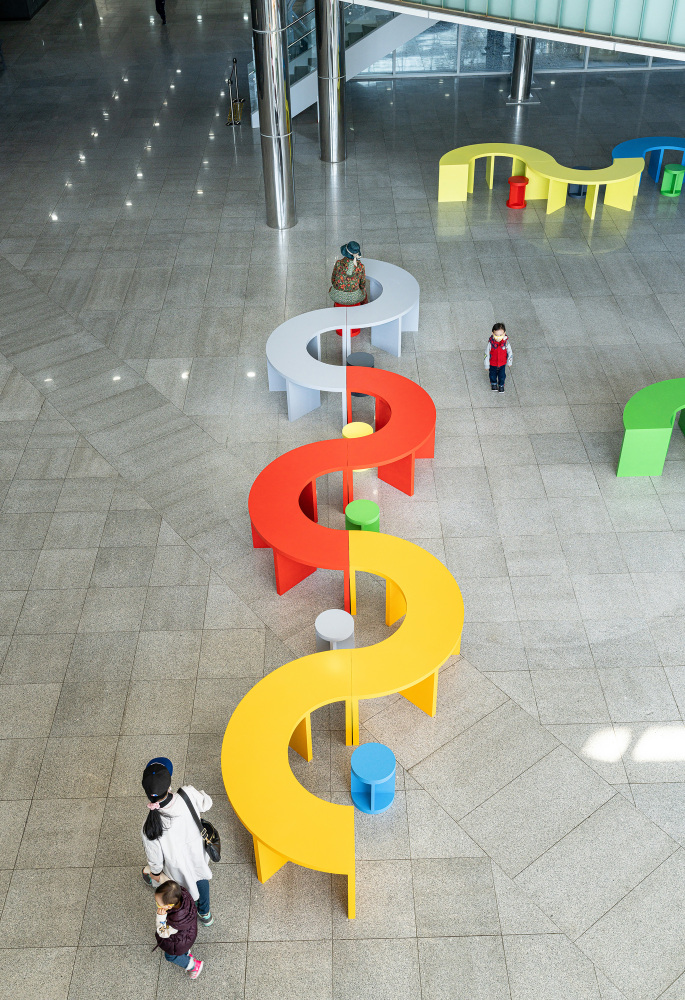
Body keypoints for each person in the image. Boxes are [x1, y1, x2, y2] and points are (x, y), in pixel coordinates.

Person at [141, 757, 215, 926]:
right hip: (197, 854)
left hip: (175, 868)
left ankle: (184, 915)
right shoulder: (188, 793)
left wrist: (156, 872)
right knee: (201, 879)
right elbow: (207, 803)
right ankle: (205, 913)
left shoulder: (149, 826)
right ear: (169, 786)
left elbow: (156, 859)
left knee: (178, 890)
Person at [154, 879, 203, 979]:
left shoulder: (175, 922)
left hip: (179, 941)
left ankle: (193, 966)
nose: (157, 904)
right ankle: (185, 953)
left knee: (170, 956)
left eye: (158, 904)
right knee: (182, 950)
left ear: (169, 906)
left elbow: (163, 933)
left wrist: (160, 917)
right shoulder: (183, 895)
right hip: (188, 932)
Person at [330, 240, 367, 338]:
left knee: (334, 290)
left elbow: (333, 280)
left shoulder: (338, 263)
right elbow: (362, 284)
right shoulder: (360, 266)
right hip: (355, 298)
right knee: (364, 293)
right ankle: (359, 319)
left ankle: (338, 323)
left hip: (337, 296)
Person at [484, 322, 512, 392]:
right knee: (492, 375)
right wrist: (486, 364)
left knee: (502, 376)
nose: (498, 337)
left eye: (500, 335)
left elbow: (510, 352)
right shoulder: (490, 344)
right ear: (492, 333)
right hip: (493, 363)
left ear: (504, 333)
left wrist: (509, 361)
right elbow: (486, 354)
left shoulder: (506, 343)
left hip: (502, 363)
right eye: (496, 335)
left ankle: (501, 385)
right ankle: (493, 383)